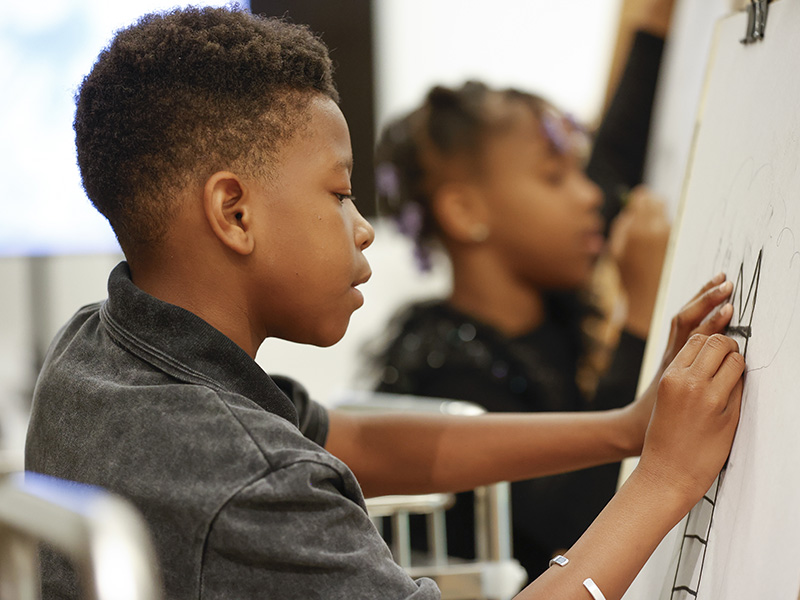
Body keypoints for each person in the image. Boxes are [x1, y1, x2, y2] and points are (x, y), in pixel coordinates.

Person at [25, 6, 744, 600]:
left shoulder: (100, 347)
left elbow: (360, 444)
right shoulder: (253, 483)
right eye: (338, 194)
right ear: (234, 213)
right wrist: (666, 479)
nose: (363, 226)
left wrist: (625, 429)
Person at [370, 0, 674, 579]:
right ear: (466, 211)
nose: (589, 196)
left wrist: (654, 27)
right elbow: (576, 524)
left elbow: (613, 164)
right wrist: (640, 315)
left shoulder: (545, 308)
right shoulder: (451, 373)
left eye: (579, 173)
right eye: (555, 177)